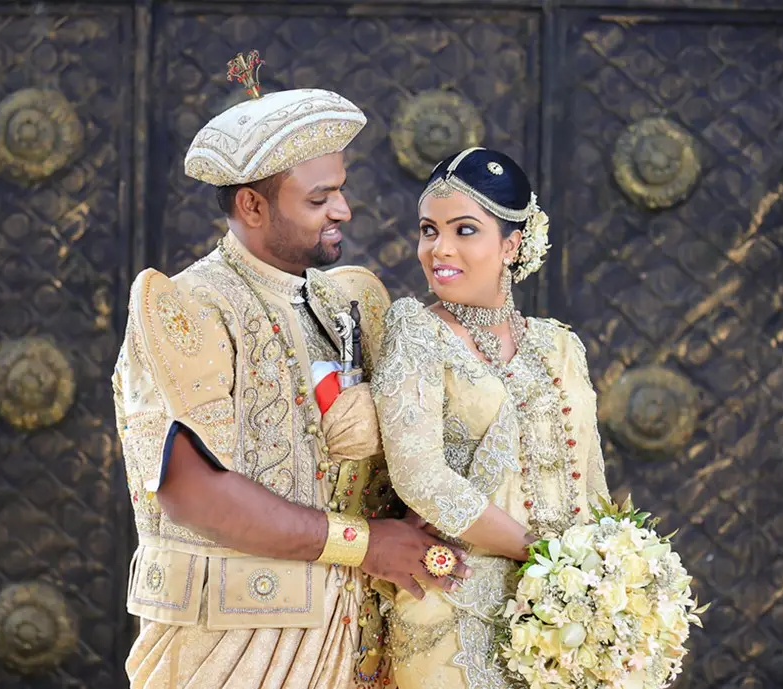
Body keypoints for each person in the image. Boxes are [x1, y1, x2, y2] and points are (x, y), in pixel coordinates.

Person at [113, 51, 469, 689]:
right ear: (251, 206)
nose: (344, 211)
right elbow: (191, 491)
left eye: (341, 189)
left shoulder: (348, 302)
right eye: (319, 198)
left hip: (353, 631)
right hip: (231, 639)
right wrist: (366, 544)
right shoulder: (189, 307)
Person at [370, 147, 611, 688]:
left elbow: (591, 480)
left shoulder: (559, 346)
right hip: (454, 621)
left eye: (464, 230)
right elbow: (421, 477)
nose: (440, 248)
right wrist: (549, 561)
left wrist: (604, 577)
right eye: (429, 230)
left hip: (564, 627)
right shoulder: (417, 332)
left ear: (511, 244)